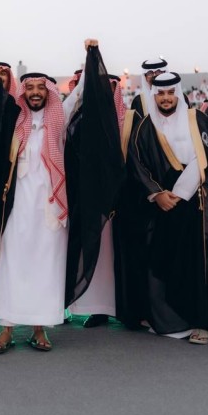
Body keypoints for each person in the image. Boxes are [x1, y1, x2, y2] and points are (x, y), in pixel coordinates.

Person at [0, 29, 79, 353]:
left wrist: (91, 57)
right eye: (29, 88)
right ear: (23, 91)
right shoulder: (13, 116)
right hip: (16, 206)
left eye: (40, 88)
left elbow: (81, 94)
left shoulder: (60, 117)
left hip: (50, 208)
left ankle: (40, 329)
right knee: (11, 262)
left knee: (46, 267)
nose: (34, 92)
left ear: (49, 92)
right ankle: (6, 329)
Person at [127, 71, 208, 343]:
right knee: (160, 262)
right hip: (159, 206)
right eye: (160, 94)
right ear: (154, 95)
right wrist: (157, 194)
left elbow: (204, 156)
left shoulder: (196, 119)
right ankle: (166, 321)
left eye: (170, 93)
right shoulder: (145, 126)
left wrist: (179, 193)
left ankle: (198, 323)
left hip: (191, 203)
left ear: (178, 93)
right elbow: (137, 163)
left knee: (193, 262)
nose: (165, 98)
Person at [64, 40, 127, 329]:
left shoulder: (127, 117)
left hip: (117, 200)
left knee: (112, 255)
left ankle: (111, 307)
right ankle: (86, 306)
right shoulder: (75, 118)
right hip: (81, 195)